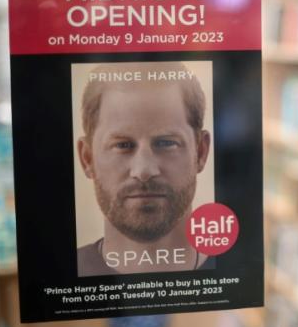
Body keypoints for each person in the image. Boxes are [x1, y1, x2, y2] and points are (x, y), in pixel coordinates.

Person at [76, 61, 212, 276]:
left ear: (201, 152)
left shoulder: (237, 272)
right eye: (122, 145)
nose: (144, 170)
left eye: (166, 143)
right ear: (87, 159)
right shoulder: (59, 276)